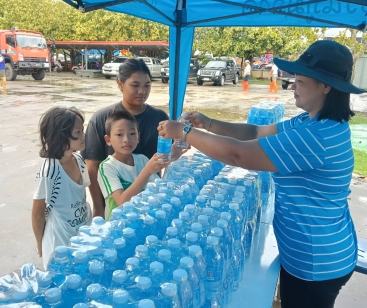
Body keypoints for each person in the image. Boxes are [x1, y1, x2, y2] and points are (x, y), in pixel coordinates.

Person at [157, 40, 363, 308]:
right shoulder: (312, 121)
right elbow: (256, 133)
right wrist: (208, 123)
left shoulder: (317, 136)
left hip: (316, 261)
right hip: (317, 250)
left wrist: (184, 133)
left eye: (301, 81)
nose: (293, 86)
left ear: (326, 86)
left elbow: (239, 155)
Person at [82, 58, 183, 218]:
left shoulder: (160, 118)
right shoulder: (102, 118)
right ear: (120, 85)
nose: (142, 91)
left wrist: (176, 151)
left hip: (148, 204)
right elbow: (92, 166)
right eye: (135, 86)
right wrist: (98, 207)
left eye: (147, 85)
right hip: (117, 202)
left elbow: (163, 160)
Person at [32, 106, 92, 269]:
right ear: (61, 136)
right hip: (58, 243)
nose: (83, 136)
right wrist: (40, 243)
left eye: (82, 131)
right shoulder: (50, 170)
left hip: (80, 237)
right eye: (78, 132)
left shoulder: (79, 160)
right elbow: (38, 214)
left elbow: (80, 196)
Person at [97, 110, 169, 219]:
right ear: (108, 140)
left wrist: (171, 157)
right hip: (118, 225)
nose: (126, 140)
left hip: (142, 219)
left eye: (132, 134)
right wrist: (147, 171)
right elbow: (122, 202)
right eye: (119, 134)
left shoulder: (142, 159)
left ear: (138, 137)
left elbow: (159, 189)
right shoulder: (107, 167)